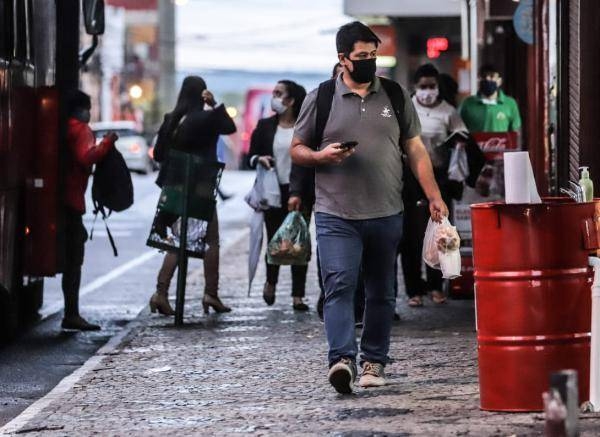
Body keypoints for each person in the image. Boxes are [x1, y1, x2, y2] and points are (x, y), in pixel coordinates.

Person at [291, 21, 448, 393]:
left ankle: (373, 362)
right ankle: (341, 359)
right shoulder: (322, 97)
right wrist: (320, 156)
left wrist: (434, 195)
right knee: (340, 285)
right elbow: (296, 148)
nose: (369, 63)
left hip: (387, 210)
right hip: (335, 213)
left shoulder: (394, 95)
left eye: (373, 56)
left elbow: (415, 149)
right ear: (342, 59)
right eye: (362, 57)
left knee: (382, 291)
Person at [149, 76, 236, 316]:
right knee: (209, 240)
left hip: (174, 187)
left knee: (180, 238)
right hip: (200, 186)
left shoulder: (171, 119)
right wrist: (215, 105)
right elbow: (230, 128)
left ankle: (163, 291)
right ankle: (207, 292)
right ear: (202, 94)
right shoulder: (206, 118)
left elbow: (157, 155)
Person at [400, 64, 467, 307]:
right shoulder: (406, 109)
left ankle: (437, 286)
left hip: (439, 178)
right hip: (410, 180)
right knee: (411, 236)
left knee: (442, 232)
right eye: (423, 87)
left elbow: (462, 137)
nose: (428, 91)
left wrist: (457, 143)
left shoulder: (448, 111)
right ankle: (413, 290)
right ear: (415, 87)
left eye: (432, 86)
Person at [247, 80, 310, 311]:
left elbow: (308, 161)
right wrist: (259, 159)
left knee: (298, 242)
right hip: (272, 191)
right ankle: (270, 282)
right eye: (273, 92)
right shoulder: (264, 126)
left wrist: (300, 192)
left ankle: (298, 295)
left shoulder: (304, 127)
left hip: (299, 191)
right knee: (274, 239)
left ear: (291, 100)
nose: (273, 97)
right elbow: (250, 156)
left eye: (278, 93)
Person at [62, 90, 117, 330]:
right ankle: (71, 314)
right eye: (88, 107)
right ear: (81, 108)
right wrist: (107, 142)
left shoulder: (64, 127)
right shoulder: (81, 129)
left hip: (62, 198)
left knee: (71, 257)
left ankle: (70, 312)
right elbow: (86, 157)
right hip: (73, 200)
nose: (90, 112)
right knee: (74, 260)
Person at [459, 64, 522, 134]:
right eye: (483, 77)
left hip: (501, 144)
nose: (487, 79)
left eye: (492, 76)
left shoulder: (510, 103)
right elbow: (460, 132)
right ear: (478, 80)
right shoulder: (467, 103)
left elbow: (515, 133)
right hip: (474, 144)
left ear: (499, 81)